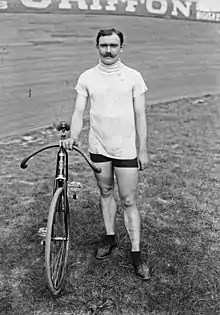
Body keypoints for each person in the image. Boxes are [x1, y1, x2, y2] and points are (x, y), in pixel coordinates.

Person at [63, 28, 150, 280]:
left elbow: (141, 115)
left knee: (129, 200)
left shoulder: (133, 76)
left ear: (122, 47)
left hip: (125, 149)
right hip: (99, 147)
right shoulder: (87, 77)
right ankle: (110, 237)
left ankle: (136, 254)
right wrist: (73, 137)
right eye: (104, 45)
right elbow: (79, 112)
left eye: (113, 45)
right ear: (97, 47)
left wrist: (142, 149)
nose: (108, 50)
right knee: (105, 192)